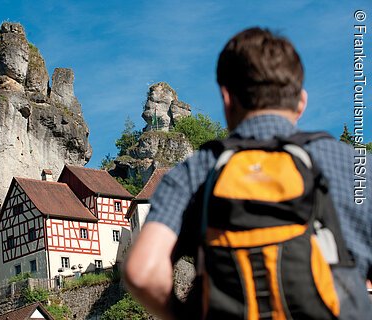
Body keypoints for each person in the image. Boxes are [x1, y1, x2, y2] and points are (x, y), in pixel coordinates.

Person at [124, 27, 371, 319]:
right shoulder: (354, 165)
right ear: (301, 101)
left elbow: (142, 272)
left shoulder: (196, 171)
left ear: (227, 99)